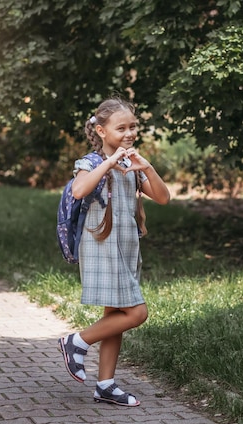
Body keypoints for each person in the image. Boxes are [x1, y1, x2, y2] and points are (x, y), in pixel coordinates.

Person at [58, 96, 171, 406]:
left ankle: (105, 383)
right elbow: (79, 190)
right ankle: (75, 341)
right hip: (101, 246)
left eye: (133, 126)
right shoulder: (91, 162)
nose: (129, 133)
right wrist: (109, 163)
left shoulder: (131, 165)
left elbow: (163, 197)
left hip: (125, 246)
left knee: (116, 313)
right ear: (102, 131)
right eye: (121, 128)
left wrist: (145, 166)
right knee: (137, 312)